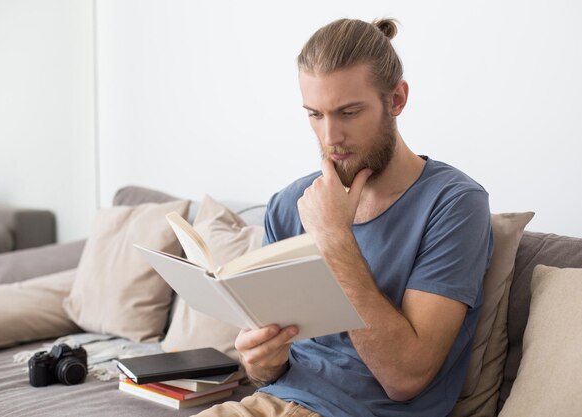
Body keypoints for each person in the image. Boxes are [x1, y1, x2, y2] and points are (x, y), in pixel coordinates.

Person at [196, 17, 493, 417]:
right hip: (268, 405)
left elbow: (406, 377)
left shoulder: (453, 204)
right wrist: (258, 360)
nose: (329, 137)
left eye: (349, 112)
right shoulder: (289, 204)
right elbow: (268, 372)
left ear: (397, 100)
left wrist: (333, 236)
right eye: (315, 115)